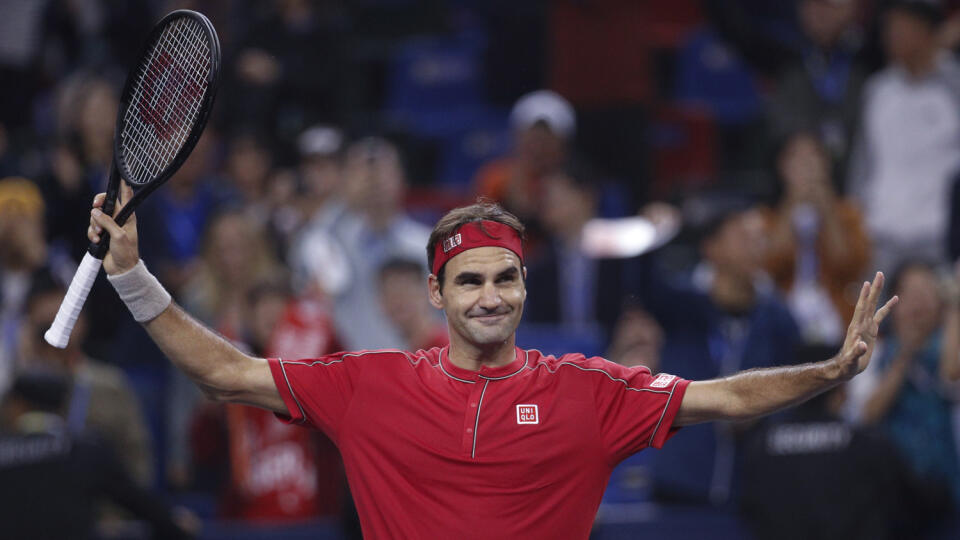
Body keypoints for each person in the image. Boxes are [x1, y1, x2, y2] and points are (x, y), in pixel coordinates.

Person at [84, 181, 896, 539]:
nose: (490, 295)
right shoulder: (369, 384)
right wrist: (130, 273)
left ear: (524, 284)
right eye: (469, 280)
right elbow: (223, 374)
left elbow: (724, 398)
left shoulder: (589, 391)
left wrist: (825, 374)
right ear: (436, 295)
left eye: (505, 277)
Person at [848, 0, 960, 273]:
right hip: (880, 234)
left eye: (902, 27)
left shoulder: (954, 88)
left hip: (940, 236)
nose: (892, 36)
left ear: (927, 31)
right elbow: (862, 164)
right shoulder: (877, 91)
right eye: (889, 28)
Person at [850, 260, 960, 509]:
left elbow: (951, 381)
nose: (920, 302)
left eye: (928, 292)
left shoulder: (950, 351)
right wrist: (904, 356)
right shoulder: (874, 354)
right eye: (911, 293)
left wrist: (954, 310)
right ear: (892, 303)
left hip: (946, 489)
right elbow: (866, 414)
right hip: (892, 494)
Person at [762, 131, 871, 346]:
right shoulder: (768, 217)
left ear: (826, 165)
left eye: (813, 157)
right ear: (783, 167)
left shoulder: (849, 214)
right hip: (785, 307)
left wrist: (827, 208)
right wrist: (792, 203)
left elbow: (848, 266)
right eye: (797, 158)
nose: (807, 166)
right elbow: (770, 265)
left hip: (834, 308)